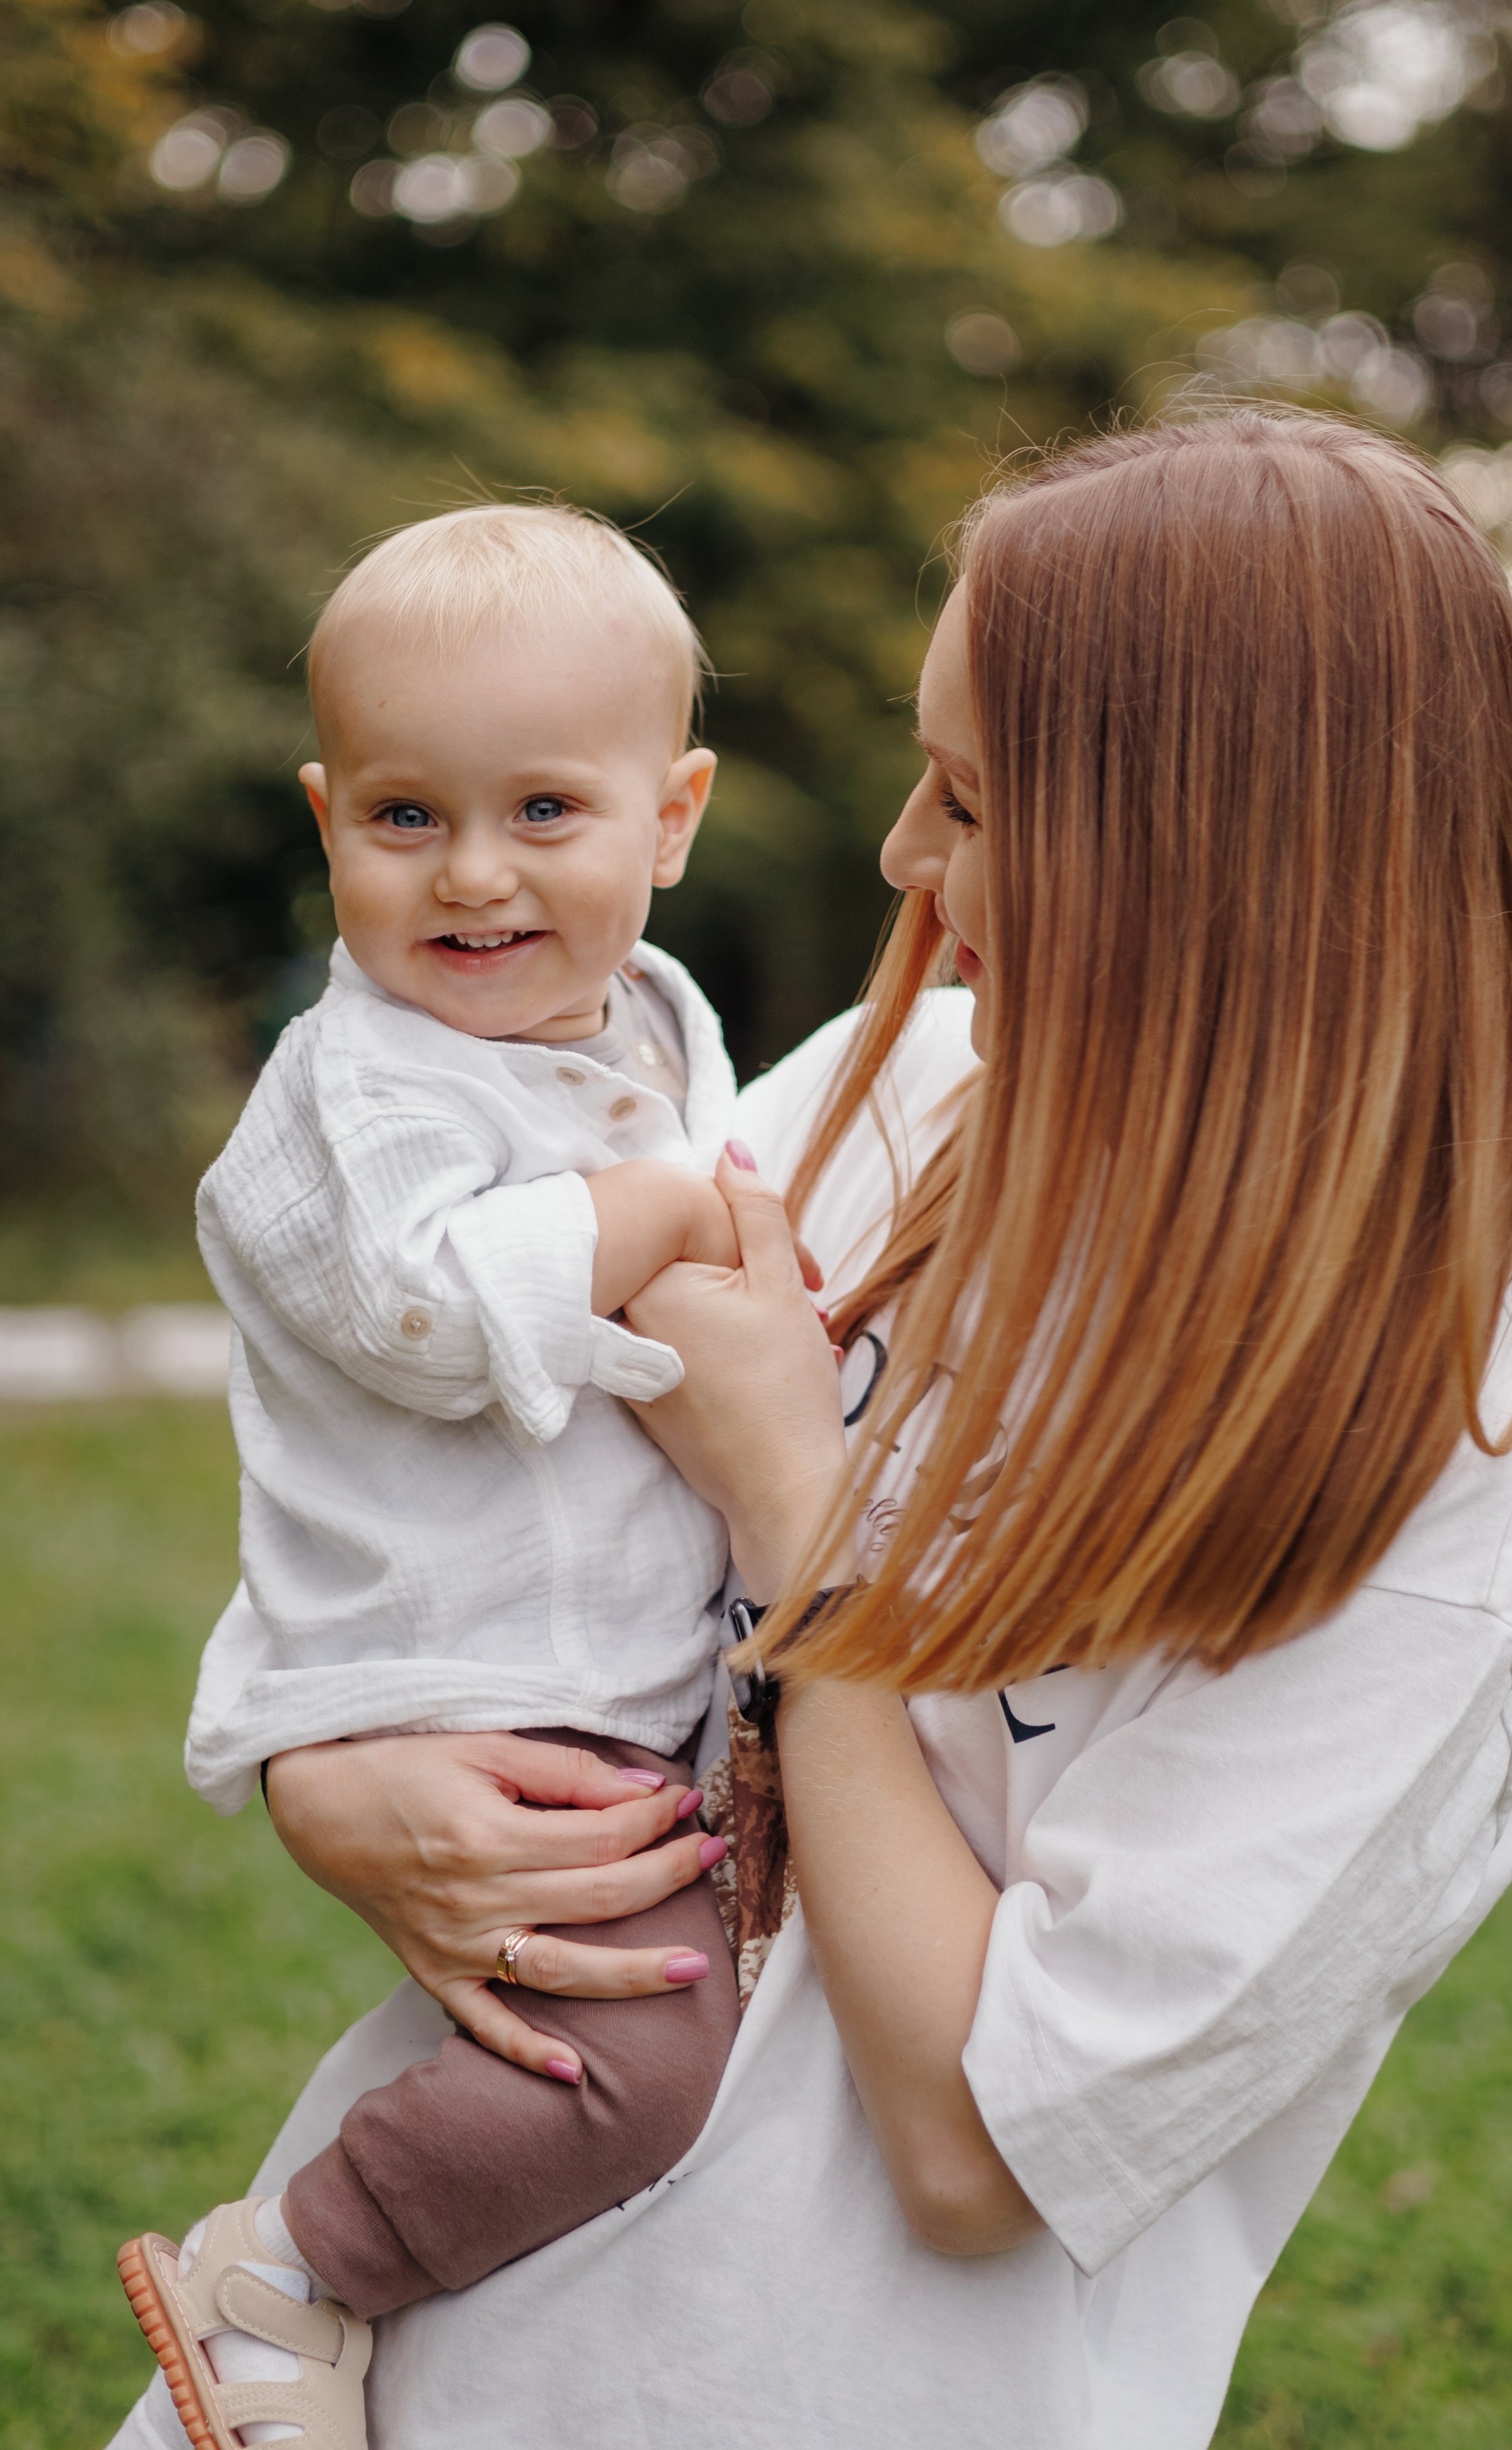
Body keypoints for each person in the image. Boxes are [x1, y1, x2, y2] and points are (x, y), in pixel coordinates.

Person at [110, 410, 1512, 2450]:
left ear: (1221, 849)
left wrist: (803, 1519)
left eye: (975, 800)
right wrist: (330, 1773)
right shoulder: (902, 1085)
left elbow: (983, 2152)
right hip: (403, 2344)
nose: (907, 857)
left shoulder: (1447, 1473)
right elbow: (456, 1409)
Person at [117, 501, 825, 2450]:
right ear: (327, 812)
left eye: (546, 812)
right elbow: (428, 1307)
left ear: (671, 818)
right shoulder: (364, 1089)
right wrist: (666, 1203)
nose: (475, 875)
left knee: (659, 2020)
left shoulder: (663, 1023)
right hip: (468, 1671)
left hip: (604, 1660)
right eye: (406, 818)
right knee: (642, 2063)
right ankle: (297, 2265)